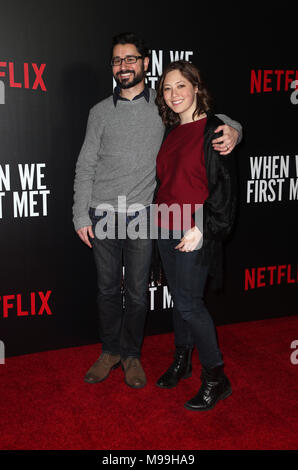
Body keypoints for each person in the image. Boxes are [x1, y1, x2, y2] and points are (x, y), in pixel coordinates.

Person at [72, 32, 242, 390]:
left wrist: (236, 130)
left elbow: (205, 119)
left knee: (136, 291)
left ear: (144, 64)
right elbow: (85, 164)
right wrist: (80, 214)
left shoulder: (161, 108)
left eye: (131, 59)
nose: (124, 66)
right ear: (112, 67)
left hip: (145, 216)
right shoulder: (99, 112)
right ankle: (110, 351)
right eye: (118, 60)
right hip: (103, 214)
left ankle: (132, 354)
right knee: (106, 290)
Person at [154, 60, 237, 410]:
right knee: (180, 300)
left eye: (180, 86)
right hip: (164, 224)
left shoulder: (216, 130)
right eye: (167, 89)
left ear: (196, 88)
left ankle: (216, 378)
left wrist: (200, 228)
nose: (174, 94)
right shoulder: (171, 131)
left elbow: (223, 191)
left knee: (190, 304)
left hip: (194, 229)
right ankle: (182, 359)